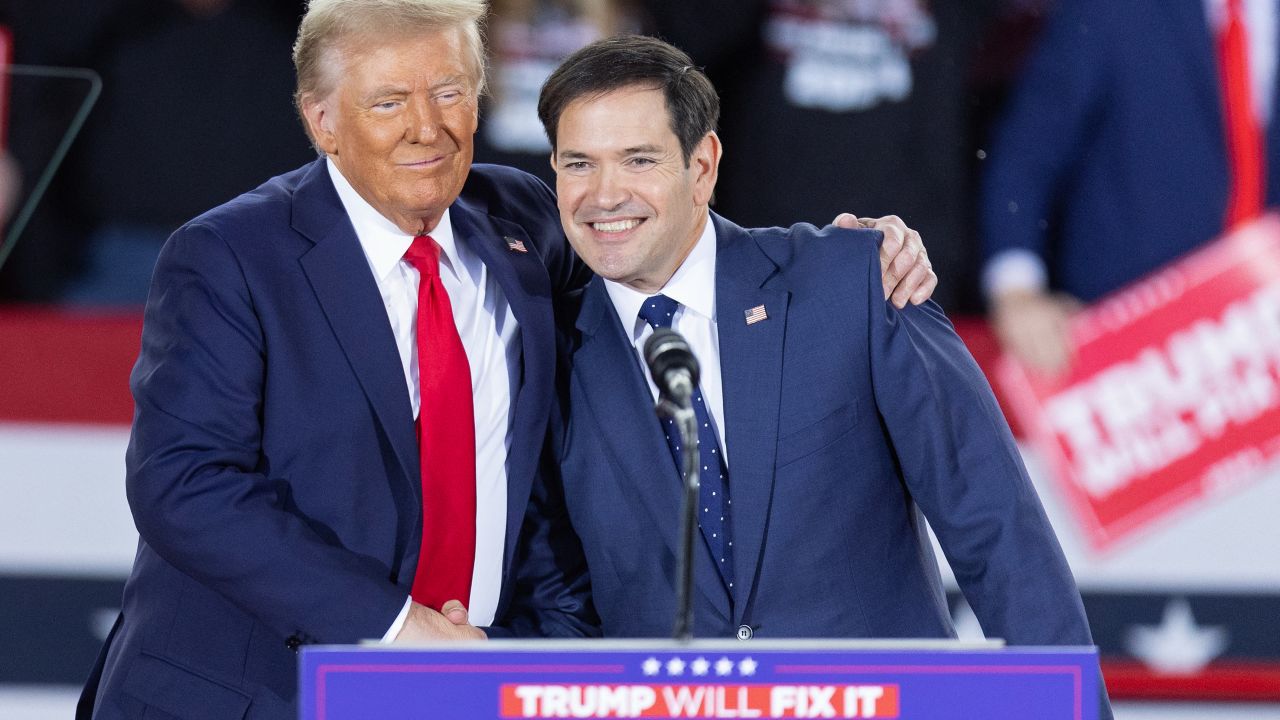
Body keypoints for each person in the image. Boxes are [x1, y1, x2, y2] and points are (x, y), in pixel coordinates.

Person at [75, 1, 937, 717]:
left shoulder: (517, 221)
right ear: (321, 120)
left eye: (451, 91)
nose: (428, 127)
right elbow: (184, 484)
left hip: (461, 688)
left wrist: (837, 256)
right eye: (388, 102)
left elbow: (662, 251)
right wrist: (393, 628)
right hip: (249, 692)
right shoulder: (229, 255)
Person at [514, 35, 1110, 715]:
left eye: (638, 160)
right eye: (578, 164)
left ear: (702, 166)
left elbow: (998, 532)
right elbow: (556, 603)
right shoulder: (545, 354)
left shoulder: (853, 281)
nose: (604, 195)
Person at [981, 0, 1280, 374]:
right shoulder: (1114, 8)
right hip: (1131, 335)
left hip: (1262, 327)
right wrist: (1016, 290)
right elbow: (1027, 153)